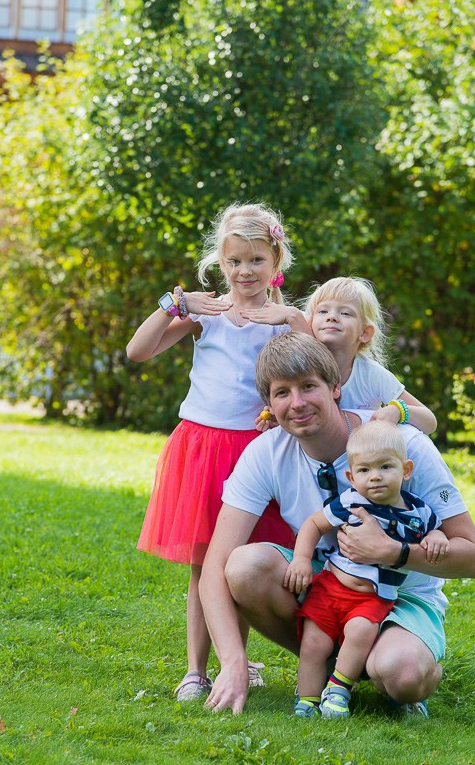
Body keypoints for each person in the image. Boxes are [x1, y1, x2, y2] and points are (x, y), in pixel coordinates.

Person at [198, 332, 475, 715]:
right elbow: (213, 569)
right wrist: (233, 663)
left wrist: (394, 552)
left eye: (308, 387)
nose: (297, 403)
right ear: (268, 404)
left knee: (401, 674)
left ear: (335, 387)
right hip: (331, 587)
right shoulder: (264, 454)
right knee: (244, 566)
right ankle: (333, 670)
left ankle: (396, 663)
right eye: (282, 393)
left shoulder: (401, 445)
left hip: (403, 594)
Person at [126, 203, 296, 701]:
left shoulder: (283, 320)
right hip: (202, 449)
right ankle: (197, 671)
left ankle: (237, 663)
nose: (245, 271)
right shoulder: (208, 315)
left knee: (242, 563)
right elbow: (138, 352)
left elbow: (325, 367)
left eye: (256, 260)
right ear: (220, 265)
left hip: (261, 453)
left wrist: (293, 317)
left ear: (275, 262)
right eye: (235, 262)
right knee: (205, 564)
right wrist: (173, 305)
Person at [287, 421, 449, 720]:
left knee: (360, 632)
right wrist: (300, 559)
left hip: (372, 598)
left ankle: (338, 690)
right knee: (313, 642)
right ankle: (307, 700)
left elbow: (435, 530)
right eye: (364, 470)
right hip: (330, 587)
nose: (374, 477)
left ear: (406, 470)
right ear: (351, 476)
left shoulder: (419, 513)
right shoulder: (351, 501)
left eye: (385, 467)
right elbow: (314, 524)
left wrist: (436, 538)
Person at [243, 276, 437, 434]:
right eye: (323, 310)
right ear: (310, 324)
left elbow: (429, 422)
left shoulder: (370, 374)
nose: (332, 316)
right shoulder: (300, 368)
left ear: (365, 333)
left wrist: (397, 410)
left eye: (346, 313)